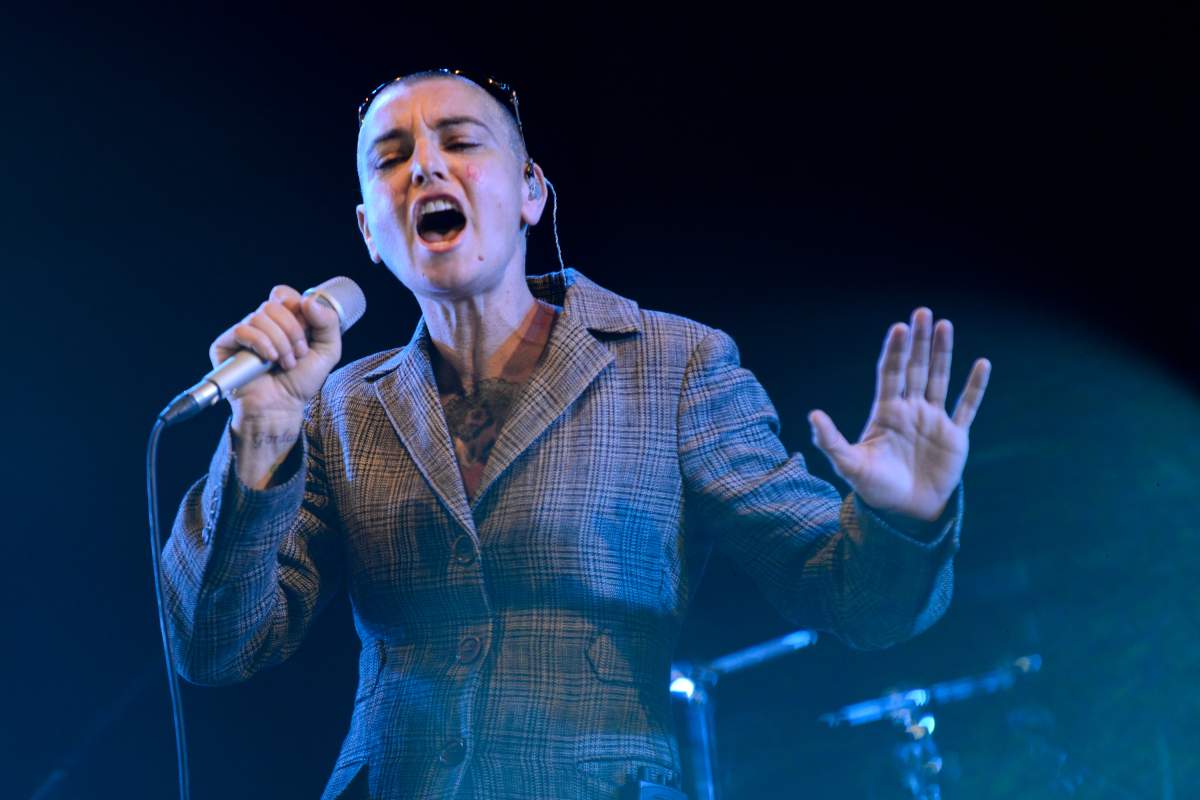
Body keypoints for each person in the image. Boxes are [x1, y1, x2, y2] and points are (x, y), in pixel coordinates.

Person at [161, 69, 992, 800]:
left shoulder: (672, 364)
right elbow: (216, 647)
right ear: (370, 232)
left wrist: (901, 518)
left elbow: (856, 603)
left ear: (531, 192)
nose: (424, 168)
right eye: (390, 158)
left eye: (460, 142)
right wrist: (260, 436)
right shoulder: (341, 405)